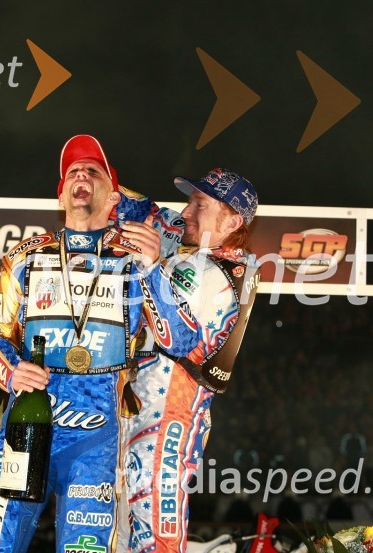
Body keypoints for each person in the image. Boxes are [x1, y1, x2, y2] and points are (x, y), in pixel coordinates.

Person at [0, 135, 201, 553]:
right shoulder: (25, 256)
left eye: (93, 172)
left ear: (113, 197)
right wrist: (12, 370)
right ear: (61, 196)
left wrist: (153, 269)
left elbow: (182, 340)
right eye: (73, 172)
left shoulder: (137, 258)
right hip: (25, 429)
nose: (81, 174)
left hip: (96, 439)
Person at [117, 169, 259, 553]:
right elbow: (149, 213)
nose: (187, 211)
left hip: (166, 423)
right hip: (141, 415)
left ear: (231, 220)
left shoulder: (214, 271)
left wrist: (150, 265)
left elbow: (178, 339)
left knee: (155, 542)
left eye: (200, 204)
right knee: (122, 538)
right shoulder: (203, 256)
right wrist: (102, 177)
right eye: (190, 200)